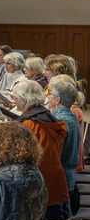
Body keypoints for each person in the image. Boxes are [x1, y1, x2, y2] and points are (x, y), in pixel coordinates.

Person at [13, 79, 70, 220]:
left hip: (40, 189)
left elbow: (22, 158)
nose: (13, 100)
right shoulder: (47, 116)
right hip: (55, 182)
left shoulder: (29, 124)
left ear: (24, 100)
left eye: (15, 97)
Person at [47, 79, 81, 210]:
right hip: (66, 176)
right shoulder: (68, 116)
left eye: (49, 94)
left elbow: (54, 153)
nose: (47, 97)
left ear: (58, 100)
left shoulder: (60, 120)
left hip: (60, 180)